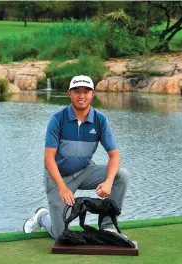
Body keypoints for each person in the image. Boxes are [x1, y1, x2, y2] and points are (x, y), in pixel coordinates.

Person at [23, 75, 129, 240]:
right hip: (58, 177)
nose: (82, 96)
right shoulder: (58, 119)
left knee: (121, 176)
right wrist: (62, 188)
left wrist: (108, 181)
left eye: (86, 91)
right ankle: (42, 217)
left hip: (85, 171)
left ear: (93, 94)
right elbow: (48, 159)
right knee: (61, 236)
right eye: (77, 91)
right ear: (69, 94)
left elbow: (114, 155)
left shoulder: (100, 121)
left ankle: (108, 227)